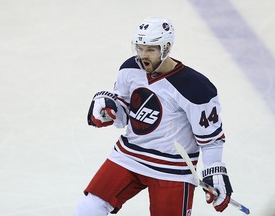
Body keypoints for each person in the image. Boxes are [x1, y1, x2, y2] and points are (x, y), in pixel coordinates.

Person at [75, 17, 233, 216]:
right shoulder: (129, 69)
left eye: (150, 49)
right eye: (140, 48)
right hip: (129, 155)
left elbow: (211, 140)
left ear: (166, 48)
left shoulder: (196, 88)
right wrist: (108, 108)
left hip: (173, 168)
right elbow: (124, 114)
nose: (143, 55)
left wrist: (215, 172)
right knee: (88, 208)